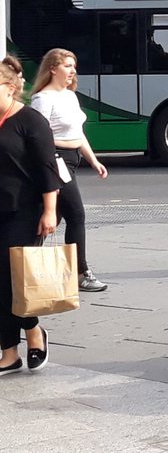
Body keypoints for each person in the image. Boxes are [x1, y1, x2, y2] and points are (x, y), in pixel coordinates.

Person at [29, 49, 109, 293]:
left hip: (72, 160)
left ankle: (22, 263)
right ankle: (80, 272)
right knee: (76, 214)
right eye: (67, 65)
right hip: (55, 160)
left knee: (51, 218)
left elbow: (77, 133)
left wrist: (94, 161)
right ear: (52, 68)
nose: (73, 71)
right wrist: (49, 162)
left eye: (74, 66)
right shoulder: (43, 98)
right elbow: (38, 136)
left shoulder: (70, 96)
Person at [0, 55, 60, 376]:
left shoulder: (31, 121)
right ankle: (9, 352)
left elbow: (48, 169)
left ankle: (34, 331)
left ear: (10, 88)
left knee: (15, 280)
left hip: (26, 211)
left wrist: (50, 211)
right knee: (0, 283)